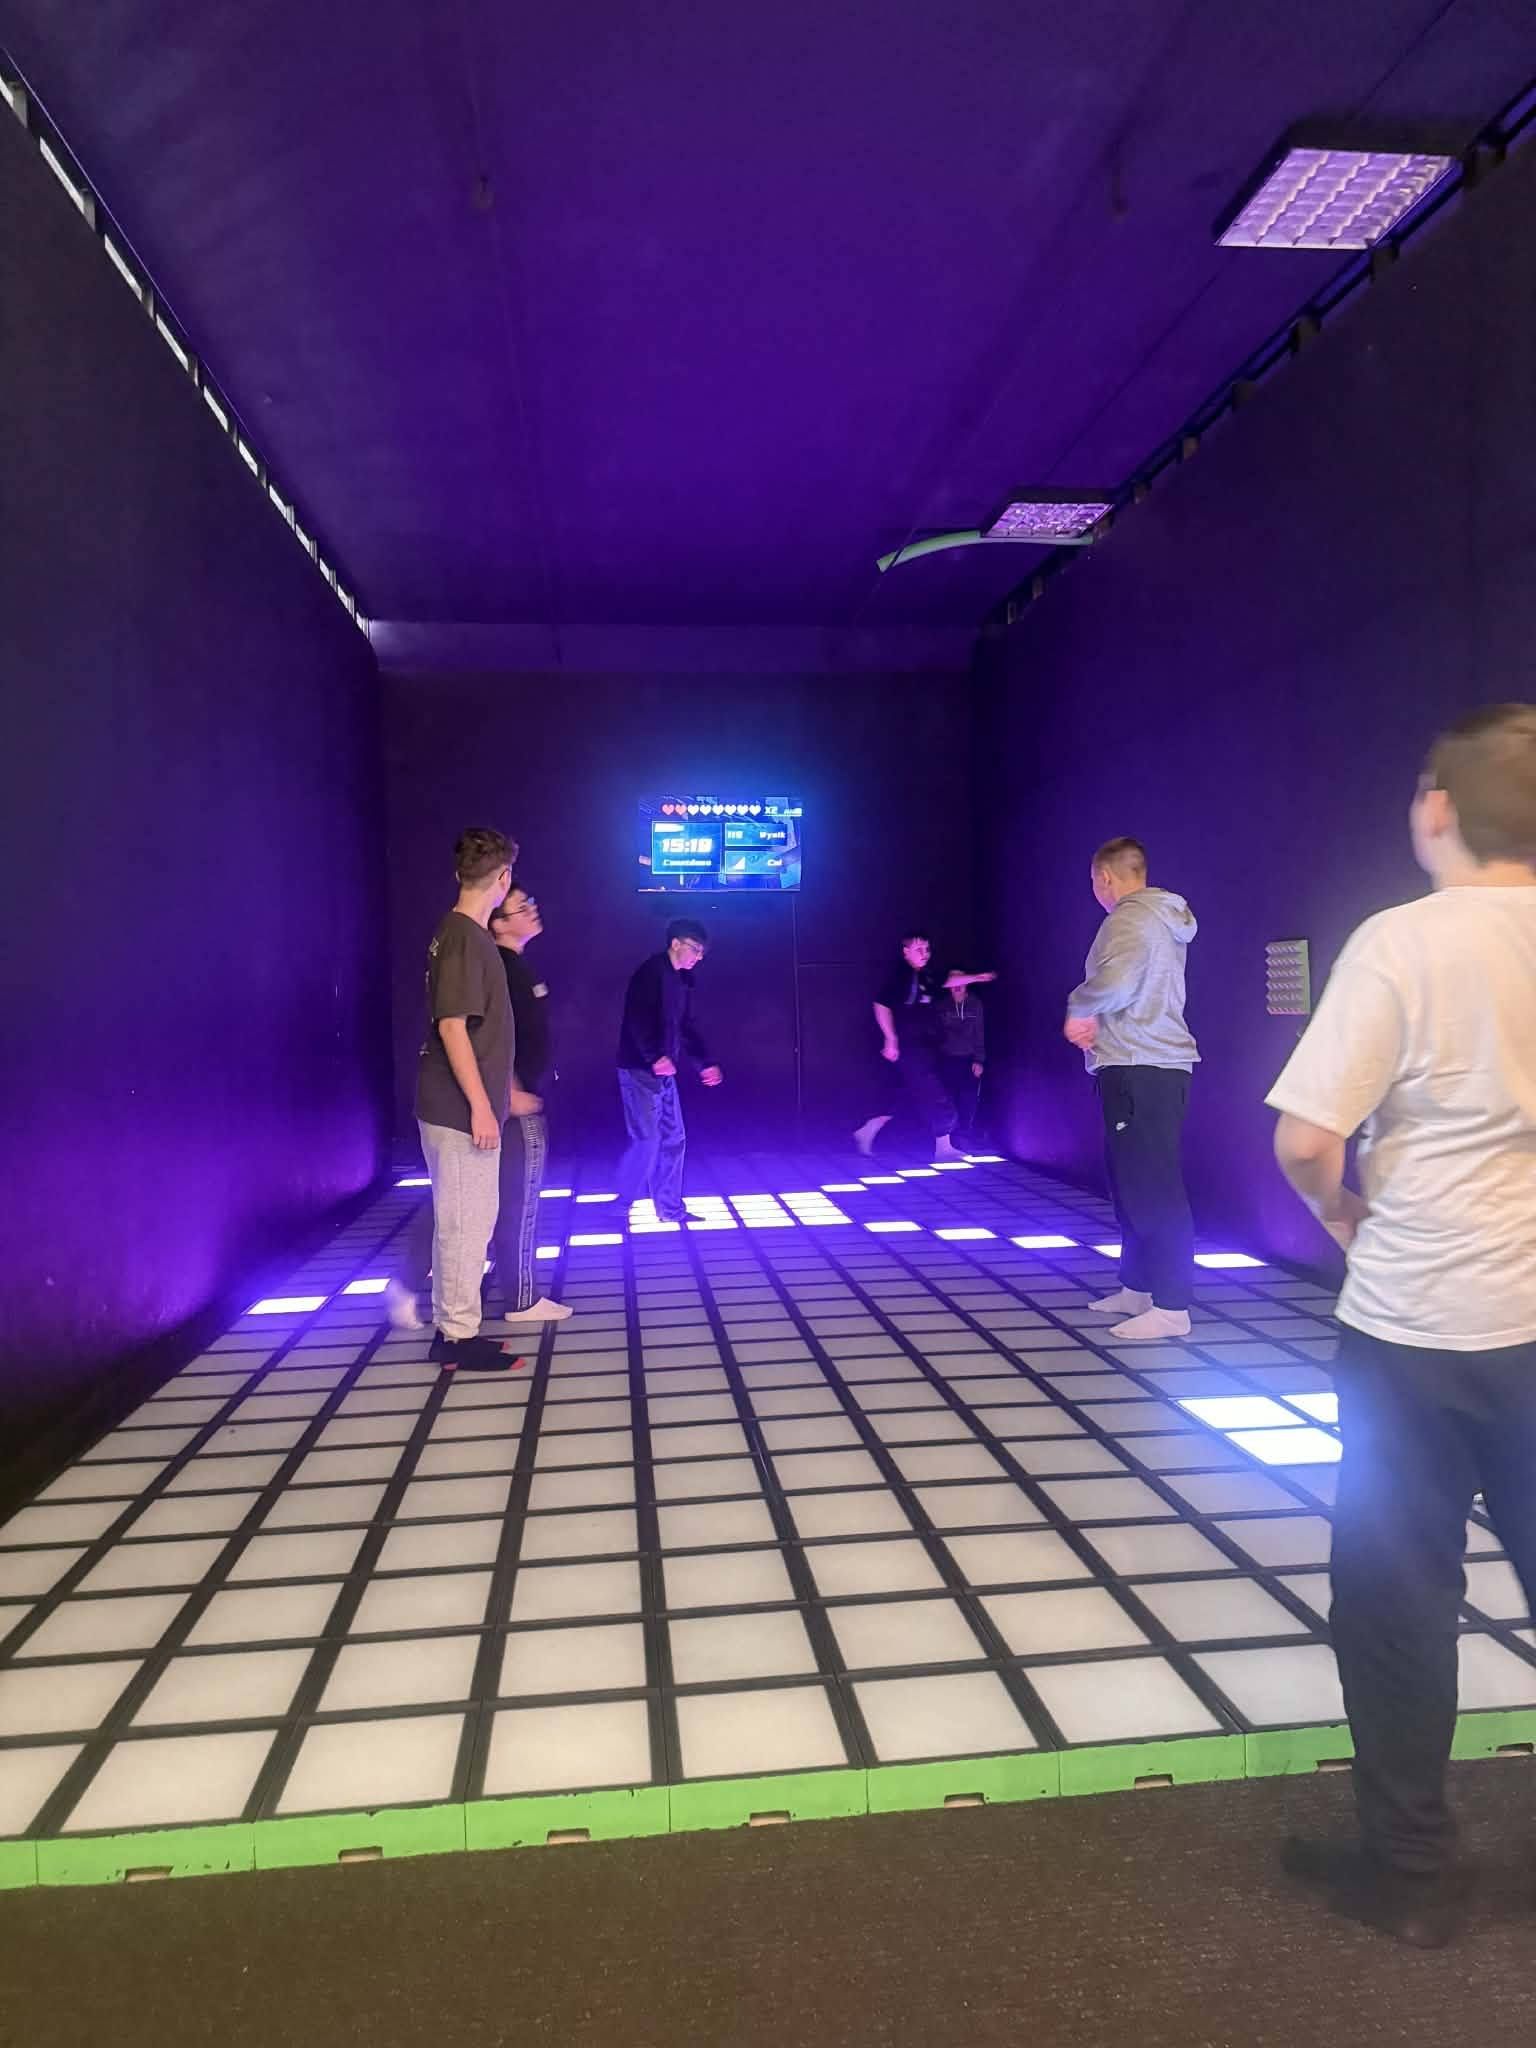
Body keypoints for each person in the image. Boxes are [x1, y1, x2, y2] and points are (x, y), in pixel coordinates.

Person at [1266, 704, 1536, 1950]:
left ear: (1438, 806)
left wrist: (1341, 1216)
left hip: (1412, 1327)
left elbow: (1306, 1138)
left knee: (1397, 1599)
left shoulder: (1402, 939)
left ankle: (1413, 1874)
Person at [388, 883, 571, 1333]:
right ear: (498, 923)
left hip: (500, 1100)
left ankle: (409, 1284)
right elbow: (479, 1035)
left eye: (531, 902)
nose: (532, 910)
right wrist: (507, 1093)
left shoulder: (510, 966)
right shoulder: (497, 966)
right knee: (509, 1201)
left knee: (461, 1198)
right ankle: (517, 1299)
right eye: (520, 906)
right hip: (506, 1104)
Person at [391, 827, 522, 1373]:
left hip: (454, 1105)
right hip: (459, 1108)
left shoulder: (457, 933)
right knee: (465, 1223)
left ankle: (457, 1328)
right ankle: (456, 1335)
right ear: (503, 878)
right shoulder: (467, 937)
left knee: (467, 1219)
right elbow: (452, 1027)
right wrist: (481, 1106)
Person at [1063, 838, 1198, 1340]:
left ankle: (1172, 1307)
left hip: (1141, 1065)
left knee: (1151, 1187)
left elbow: (1117, 983)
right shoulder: (1161, 918)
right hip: (1146, 1064)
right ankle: (1139, 1287)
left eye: (1093, 881)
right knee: (1132, 1183)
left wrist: (1079, 1008)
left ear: (1104, 878)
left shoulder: (1128, 918)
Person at [616, 919, 722, 1222]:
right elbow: (637, 1019)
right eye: (695, 949)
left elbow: (685, 1026)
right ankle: (621, 1203)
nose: (698, 957)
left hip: (663, 1071)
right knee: (647, 1141)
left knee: (674, 1138)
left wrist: (703, 1062)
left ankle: (670, 1209)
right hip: (639, 1069)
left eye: (702, 953)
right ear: (675, 943)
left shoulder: (682, 980)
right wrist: (654, 1056)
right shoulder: (650, 973)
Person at [854, 933, 992, 1162]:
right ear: (905, 952)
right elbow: (881, 1005)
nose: (924, 954)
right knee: (934, 1093)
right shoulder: (900, 977)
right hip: (909, 1047)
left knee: (903, 1094)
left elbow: (949, 981)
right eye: (918, 949)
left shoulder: (926, 975)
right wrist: (891, 1039)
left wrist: (977, 977)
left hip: (924, 1047)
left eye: (927, 949)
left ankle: (868, 1130)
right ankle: (944, 1147)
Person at [938, 980, 987, 1149]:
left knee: (968, 1100)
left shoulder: (975, 1003)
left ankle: (963, 1138)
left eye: (962, 980)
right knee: (947, 1099)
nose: (958, 985)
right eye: (954, 981)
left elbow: (979, 1032)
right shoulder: (942, 1004)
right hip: (946, 1059)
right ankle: (946, 1141)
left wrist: (979, 1059)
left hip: (968, 1060)